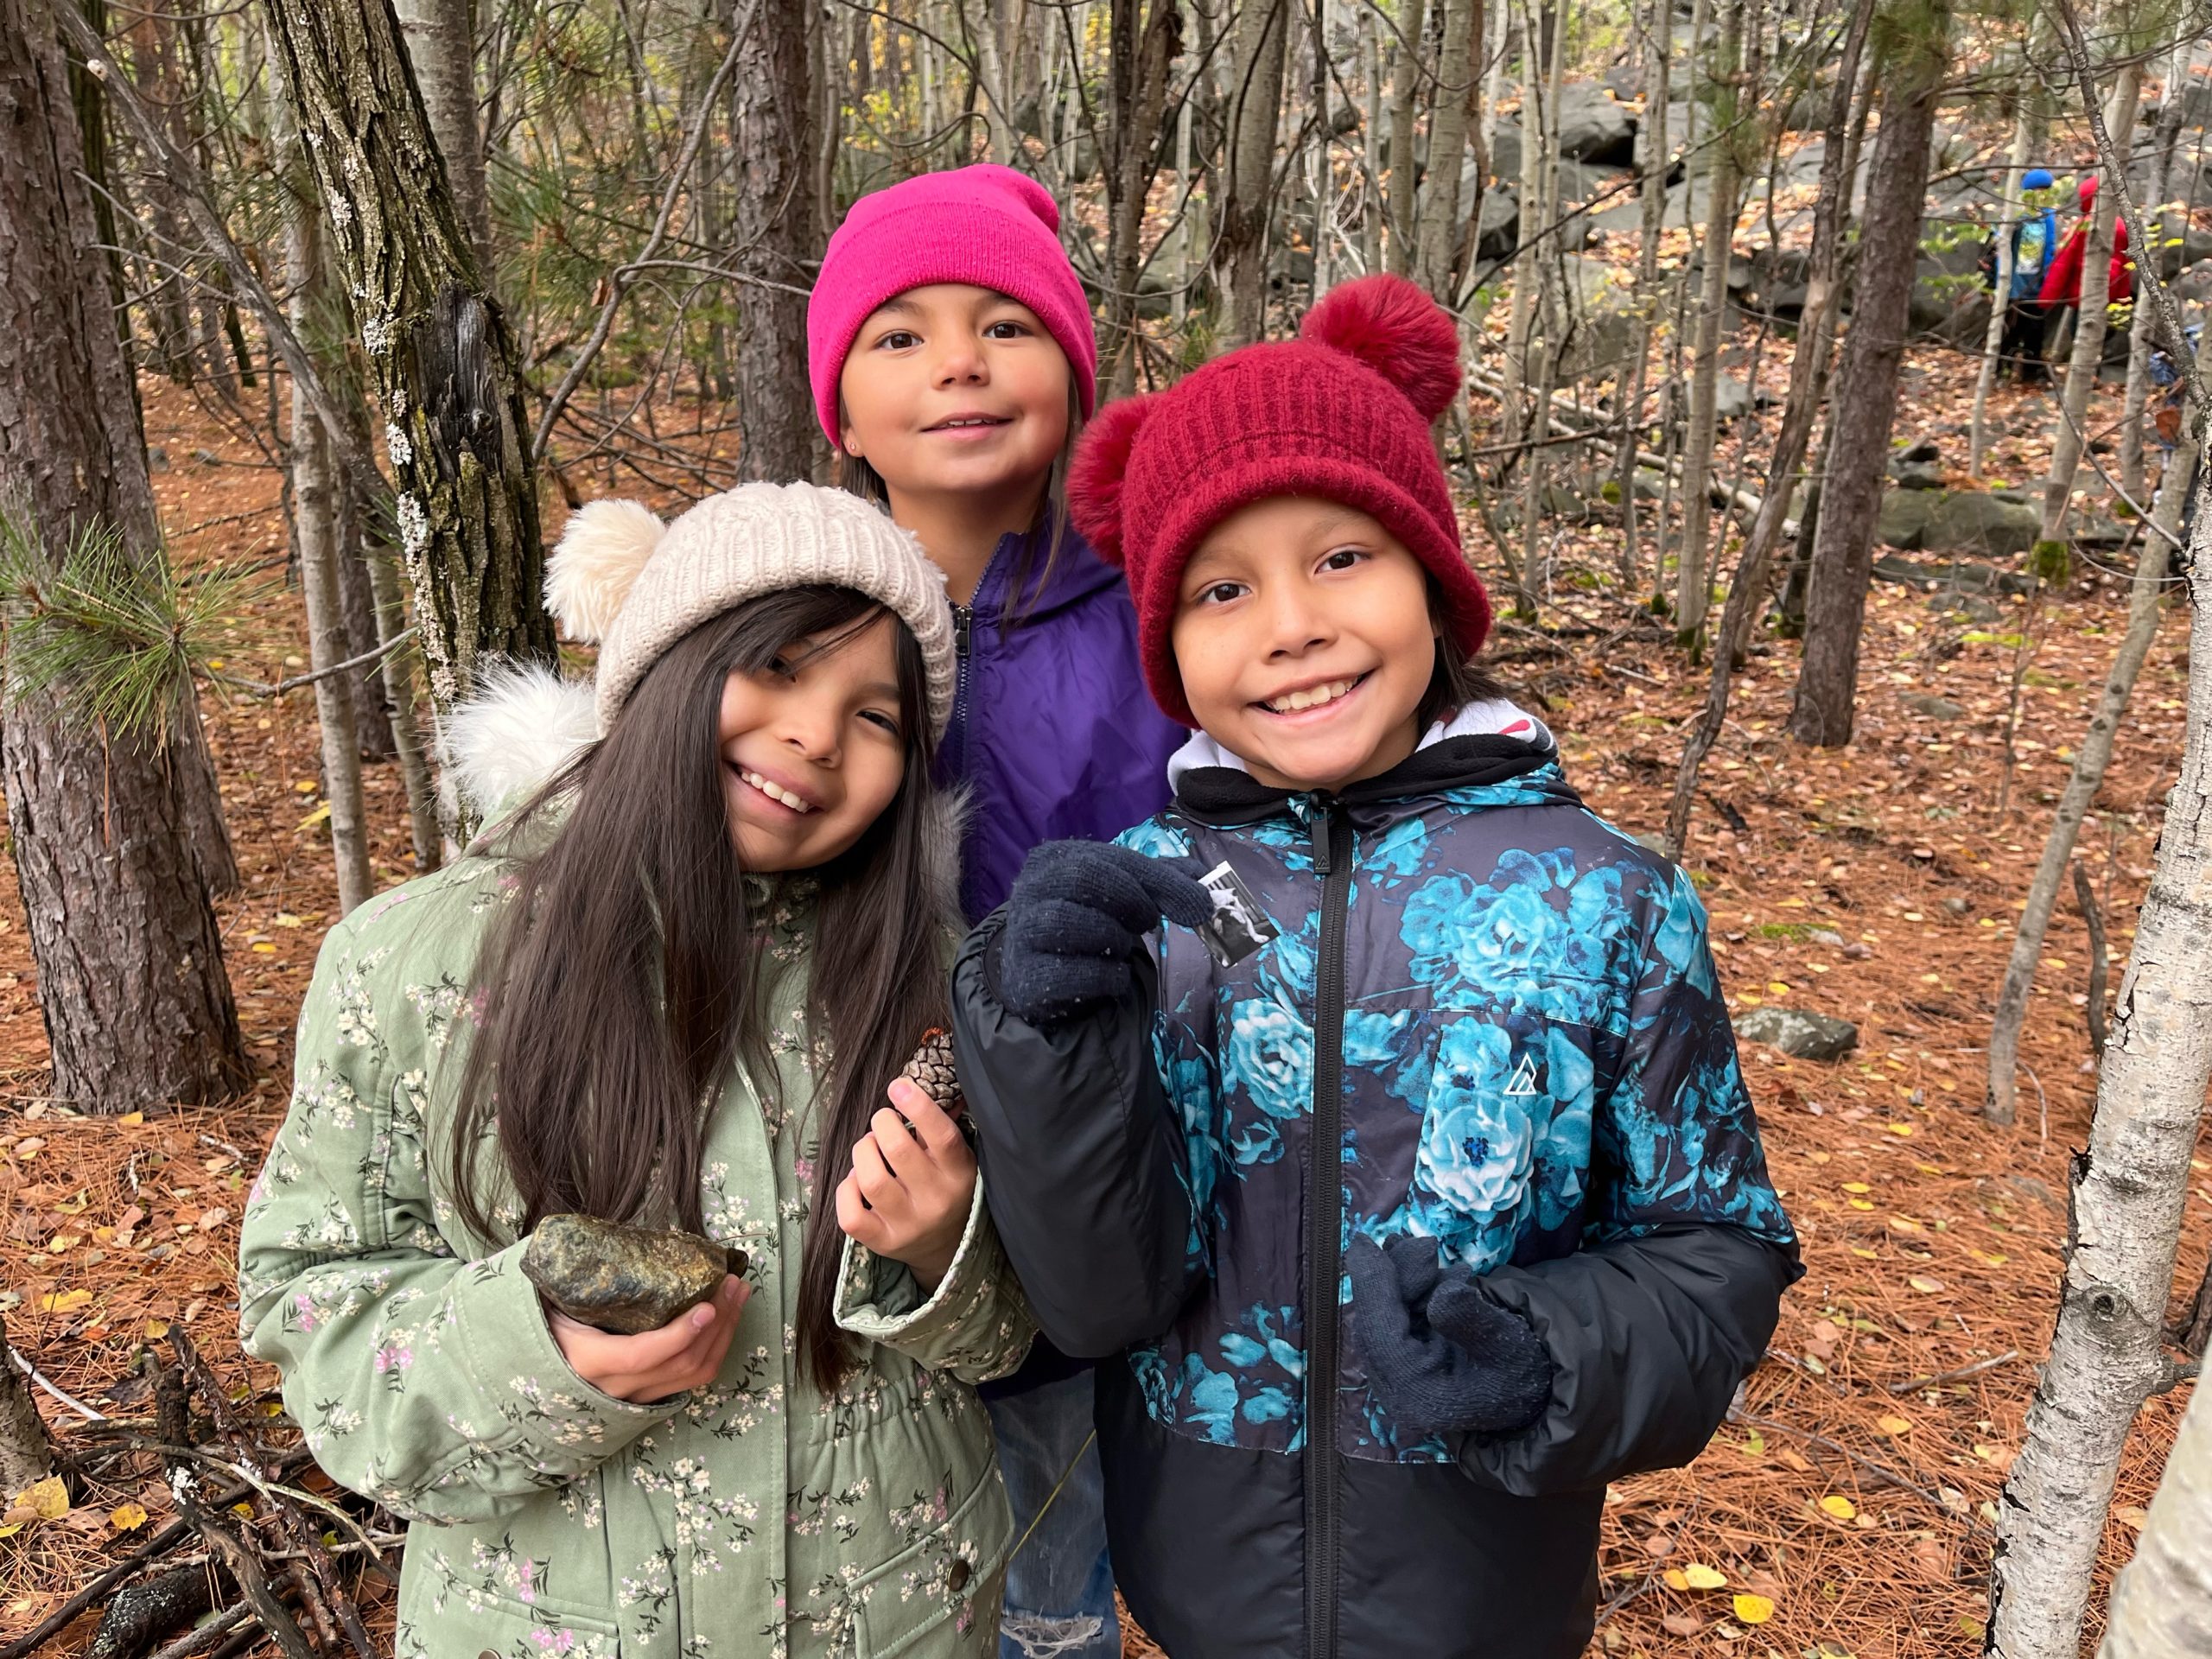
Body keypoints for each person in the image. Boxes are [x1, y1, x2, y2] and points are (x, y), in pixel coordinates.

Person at [950, 275, 1801, 1656]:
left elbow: (1718, 1249)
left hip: (1485, 1585)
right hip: (1199, 1580)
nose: (1290, 624)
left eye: (1341, 556)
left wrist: (1549, 1353)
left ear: (1432, 579)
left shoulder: (1604, 899)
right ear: (1167, 641)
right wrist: (1039, 1041)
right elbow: (1099, 1289)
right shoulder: (1144, 904)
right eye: (1223, 589)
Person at [239, 483, 1034, 1658]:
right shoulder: (420, 963)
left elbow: (1007, 1337)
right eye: (776, 665)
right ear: (664, 666)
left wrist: (945, 1251)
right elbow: (313, 1314)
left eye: (876, 719)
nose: (817, 733)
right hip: (545, 1625)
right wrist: (535, 1357)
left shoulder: (939, 983)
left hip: (900, 1615)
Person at [808, 162, 1185, 1659]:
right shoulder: (796, 616)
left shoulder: (1163, 606)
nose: (958, 362)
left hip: (1092, 1165)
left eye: (1003, 325)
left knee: (1048, 1547)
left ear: (1073, 370)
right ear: (840, 407)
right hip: (848, 1155)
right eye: (899, 335)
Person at [2039, 172, 2134, 360]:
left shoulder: (2083, 227)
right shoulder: (2122, 227)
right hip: (2110, 293)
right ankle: (2094, 367)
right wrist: (2123, 300)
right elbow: (2126, 267)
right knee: (2101, 331)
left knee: (2080, 331)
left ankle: (2082, 367)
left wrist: (2046, 299)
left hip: (2083, 292)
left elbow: (2062, 264)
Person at [1995, 167, 2061, 383]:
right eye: (2037, 190)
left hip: (2038, 287)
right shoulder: (2015, 214)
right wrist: (2000, 283)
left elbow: (2050, 248)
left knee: (2035, 331)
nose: (2041, 194)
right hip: (2014, 287)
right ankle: (2001, 370)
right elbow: (1999, 246)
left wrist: (2049, 279)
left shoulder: (2048, 216)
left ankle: (2031, 373)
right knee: (2010, 330)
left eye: (2045, 190)